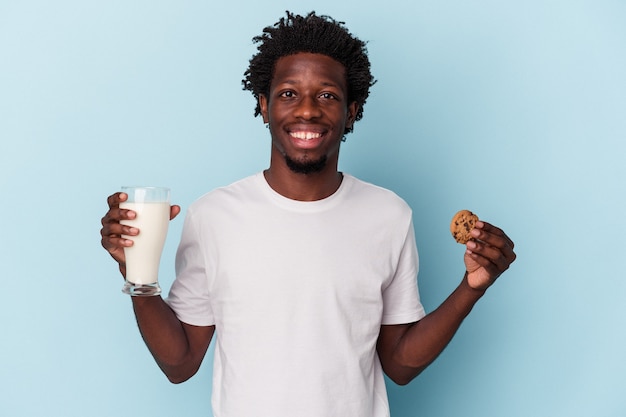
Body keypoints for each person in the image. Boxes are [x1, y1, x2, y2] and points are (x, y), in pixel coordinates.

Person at [100, 11, 516, 417]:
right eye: (287, 94)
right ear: (263, 106)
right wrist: (136, 272)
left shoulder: (389, 215)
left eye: (327, 95)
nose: (307, 110)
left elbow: (400, 365)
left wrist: (471, 287)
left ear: (352, 111)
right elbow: (180, 363)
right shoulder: (213, 215)